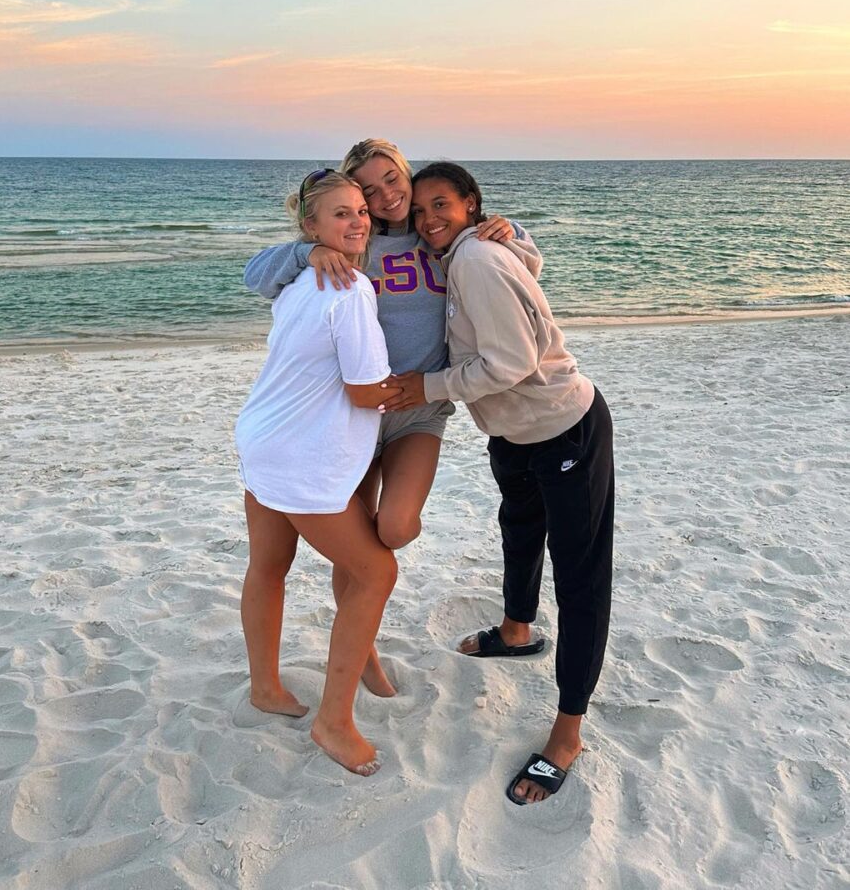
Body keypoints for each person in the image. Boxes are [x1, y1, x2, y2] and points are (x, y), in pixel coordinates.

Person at [243, 140, 539, 697]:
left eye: (390, 180)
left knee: (394, 528)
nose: (383, 196)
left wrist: (513, 231)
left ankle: (357, 640)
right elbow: (256, 274)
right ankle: (364, 654)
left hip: (420, 407)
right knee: (362, 549)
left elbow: (519, 266)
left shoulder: (442, 237)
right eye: (368, 190)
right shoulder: (356, 243)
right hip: (355, 415)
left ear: (408, 175)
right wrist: (305, 254)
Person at [382, 162, 615, 806]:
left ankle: (567, 733)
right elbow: (527, 277)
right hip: (514, 435)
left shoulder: (476, 260)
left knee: (580, 577)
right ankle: (517, 632)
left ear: (470, 206)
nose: (428, 219)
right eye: (421, 208)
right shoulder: (475, 251)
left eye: (442, 206)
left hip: (563, 427)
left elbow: (510, 363)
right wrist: (516, 237)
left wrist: (426, 388)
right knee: (519, 533)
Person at [235, 169, 397, 777]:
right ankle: (333, 721)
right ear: (311, 227)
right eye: (341, 215)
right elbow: (363, 391)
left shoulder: (299, 278)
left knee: (269, 567)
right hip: (299, 457)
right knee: (377, 571)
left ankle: (265, 688)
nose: (358, 221)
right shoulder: (350, 287)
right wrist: (418, 391)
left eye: (361, 211)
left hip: (261, 439)